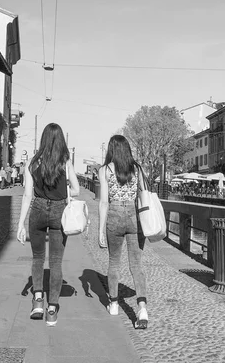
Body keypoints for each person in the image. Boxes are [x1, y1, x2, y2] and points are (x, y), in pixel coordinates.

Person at [16, 123, 79, 327]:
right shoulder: (65, 162)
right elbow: (76, 190)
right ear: (61, 140)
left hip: (38, 210)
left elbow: (27, 195)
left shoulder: (33, 163)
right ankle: (52, 309)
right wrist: (65, 188)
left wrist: (21, 224)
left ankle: (37, 302)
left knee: (37, 258)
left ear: (43, 139)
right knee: (56, 261)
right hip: (60, 212)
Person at [98, 135, 149, 330]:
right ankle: (142, 307)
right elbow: (144, 194)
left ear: (111, 149)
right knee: (136, 265)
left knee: (114, 263)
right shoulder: (137, 168)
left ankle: (113, 303)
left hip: (115, 215)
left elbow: (103, 202)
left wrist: (101, 229)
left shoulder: (105, 170)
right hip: (134, 217)